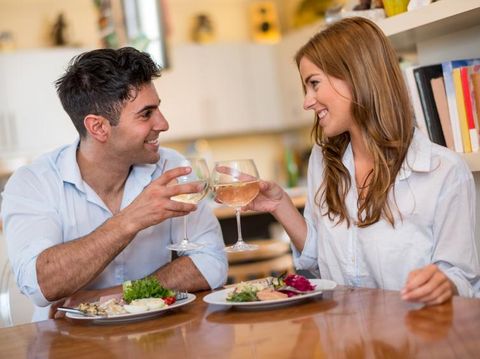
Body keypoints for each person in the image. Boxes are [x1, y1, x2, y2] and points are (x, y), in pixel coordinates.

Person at [243, 17, 479, 304]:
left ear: (354, 76)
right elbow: (320, 265)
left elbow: (463, 280)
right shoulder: (323, 161)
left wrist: (445, 284)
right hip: (343, 341)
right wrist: (280, 205)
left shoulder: (444, 172)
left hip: (414, 342)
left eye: (314, 84)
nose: (307, 101)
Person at [1, 47, 227, 321]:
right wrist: (130, 220)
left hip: (158, 338)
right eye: (146, 114)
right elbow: (41, 285)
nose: (163, 123)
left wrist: (117, 295)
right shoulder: (33, 184)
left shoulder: (171, 167)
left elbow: (211, 262)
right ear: (98, 127)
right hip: (67, 344)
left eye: (158, 108)